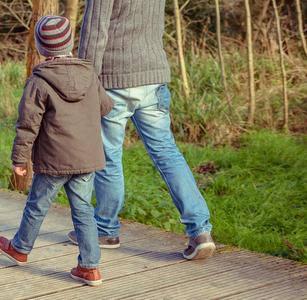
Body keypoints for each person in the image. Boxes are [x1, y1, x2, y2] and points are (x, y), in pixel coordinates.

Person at [71, 0, 216, 260]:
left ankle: (105, 229)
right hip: (153, 77)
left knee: (109, 157)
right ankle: (200, 231)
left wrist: (85, 82)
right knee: (167, 153)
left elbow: (94, 33)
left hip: (116, 80)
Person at [0, 15, 113, 287]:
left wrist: (19, 158)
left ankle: (20, 248)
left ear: (41, 47)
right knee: (84, 211)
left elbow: (27, 125)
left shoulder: (39, 81)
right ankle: (90, 268)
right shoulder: (89, 73)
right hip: (86, 159)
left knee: (37, 206)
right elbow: (106, 107)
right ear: (70, 42)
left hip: (54, 160)